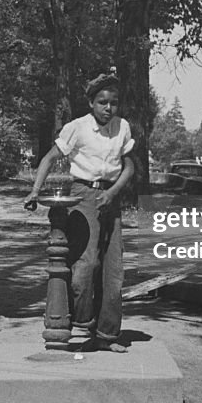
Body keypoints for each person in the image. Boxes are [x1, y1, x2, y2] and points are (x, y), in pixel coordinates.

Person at [24, 70, 135, 353]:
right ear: (91, 103)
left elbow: (129, 166)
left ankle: (107, 336)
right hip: (82, 195)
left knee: (113, 272)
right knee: (85, 267)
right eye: (102, 102)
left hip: (111, 198)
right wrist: (35, 191)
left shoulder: (122, 127)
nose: (108, 108)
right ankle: (82, 320)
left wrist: (112, 193)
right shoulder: (77, 127)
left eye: (113, 103)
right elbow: (50, 158)